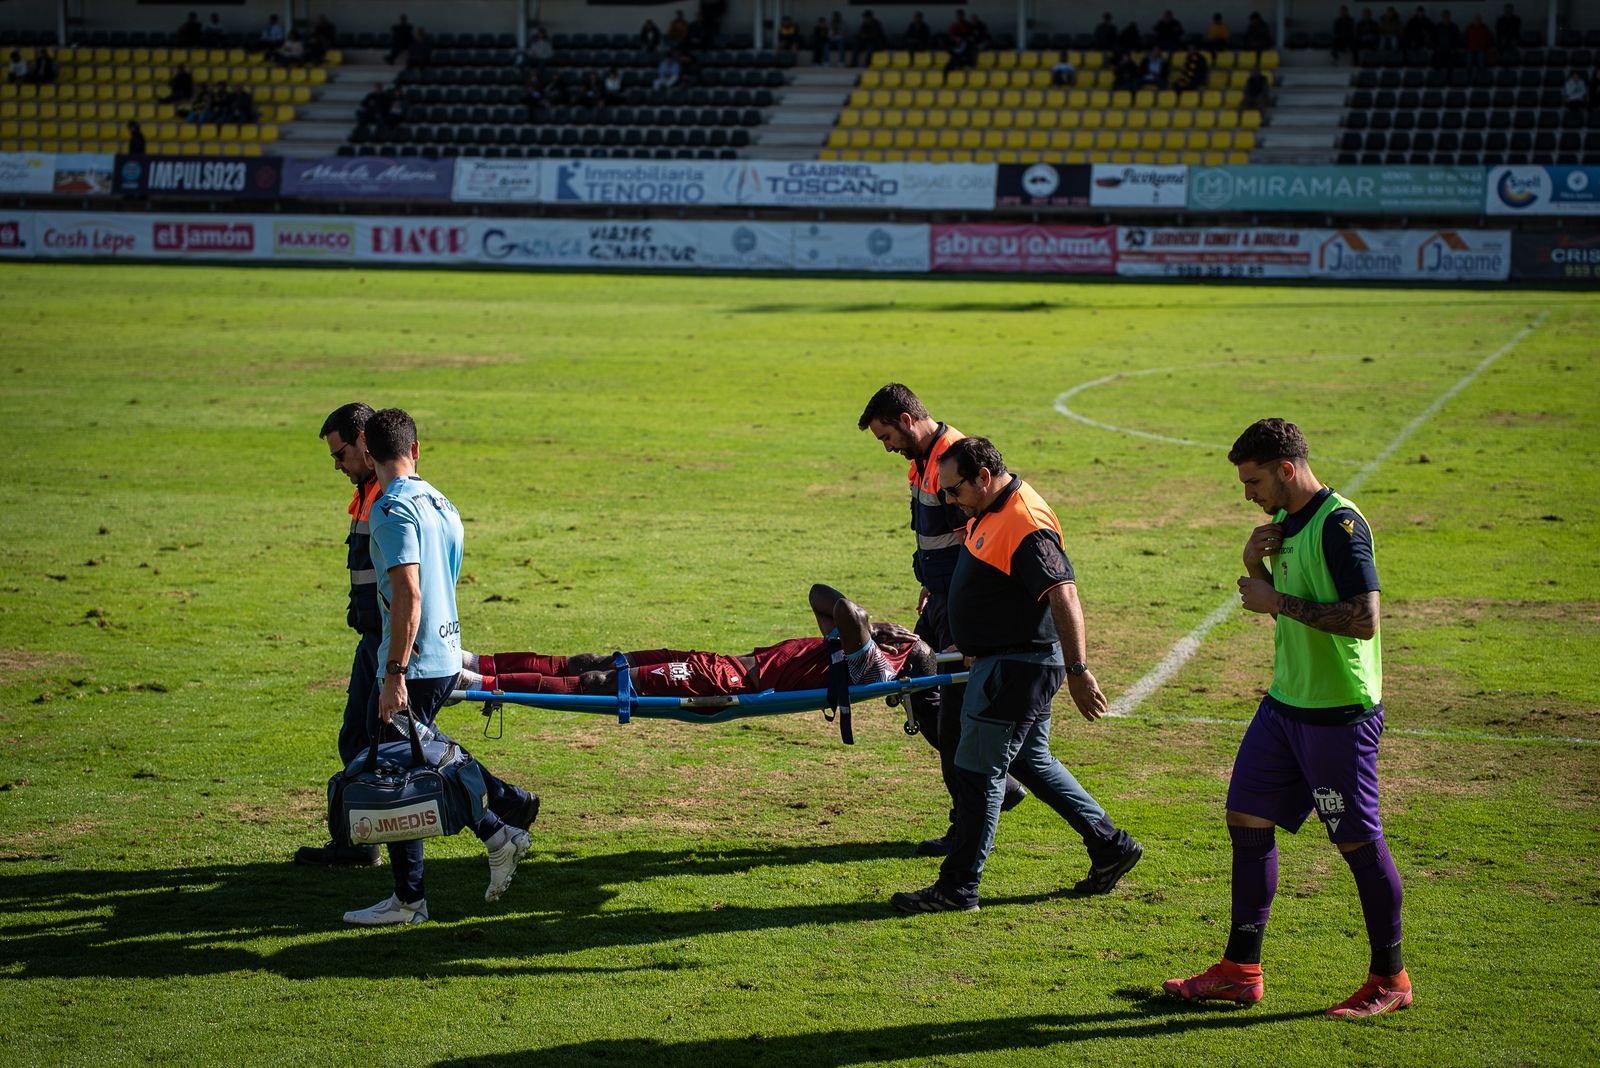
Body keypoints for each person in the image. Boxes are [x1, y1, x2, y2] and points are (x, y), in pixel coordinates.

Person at [1163, 418, 1410, 1019]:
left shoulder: (1341, 527)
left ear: (1287, 469)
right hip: (1285, 704)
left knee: (1355, 840)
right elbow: (1293, 615)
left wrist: (1274, 599)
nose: (1247, 493)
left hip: (1337, 713)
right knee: (1245, 817)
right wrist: (1259, 568)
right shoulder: (1282, 525)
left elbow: (1362, 619)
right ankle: (1241, 970)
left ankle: (1390, 978)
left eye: (1253, 481)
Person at [889, 436, 1142, 914]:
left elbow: (1063, 593)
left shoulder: (1025, 523)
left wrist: (1079, 670)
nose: (948, 500)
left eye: (954, 490)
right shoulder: (990, 508)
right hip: (1003, 660)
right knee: (1029, 760)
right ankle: (1111, 846)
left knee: (977, 774)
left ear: (984, 477)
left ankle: (958, 888)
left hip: (1015, 668)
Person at [343, 408, 535, 926]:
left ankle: (417, 895)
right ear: (417, 449)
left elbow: (408, 594)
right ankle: (498, 828)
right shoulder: (443, 503)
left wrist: (393, 674)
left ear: (368, 452)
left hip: (417, 662)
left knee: (396, 769)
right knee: (417, 759)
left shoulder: (390, 509)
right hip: (446, 651)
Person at [858, 385, 1028, 856]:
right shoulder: (922, 462)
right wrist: (930, 582)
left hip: (959, 603)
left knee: (952, 712)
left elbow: (973, 532)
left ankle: (972, 819)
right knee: (917, 689)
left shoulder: (952, 462)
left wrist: (954, 592)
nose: (887, 446)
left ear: (908, 421)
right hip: (940, 597)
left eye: (887, 435)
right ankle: (993, 791)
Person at [463, 584, 933, 702]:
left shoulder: (876, 669)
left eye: (910, 637)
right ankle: (478, 663)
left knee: (598, 681)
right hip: (719, 663)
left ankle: (479, 683)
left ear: (907, 649)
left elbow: (850, 612)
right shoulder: (855, 649)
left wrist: (872, 629)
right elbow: (818, 595)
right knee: (598, 660)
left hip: (726, 683)